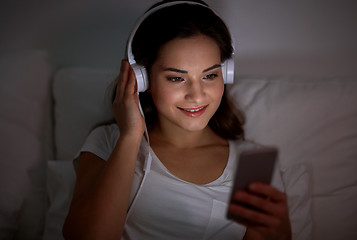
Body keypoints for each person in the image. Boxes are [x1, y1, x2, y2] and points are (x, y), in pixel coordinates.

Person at [63, 1, 293, 239]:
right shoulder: (109, 142)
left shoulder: (252, 163)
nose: (196, 95)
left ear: (225, 75)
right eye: (176, 78)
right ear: (143, 80)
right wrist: (131, 136)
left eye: (210, 75)